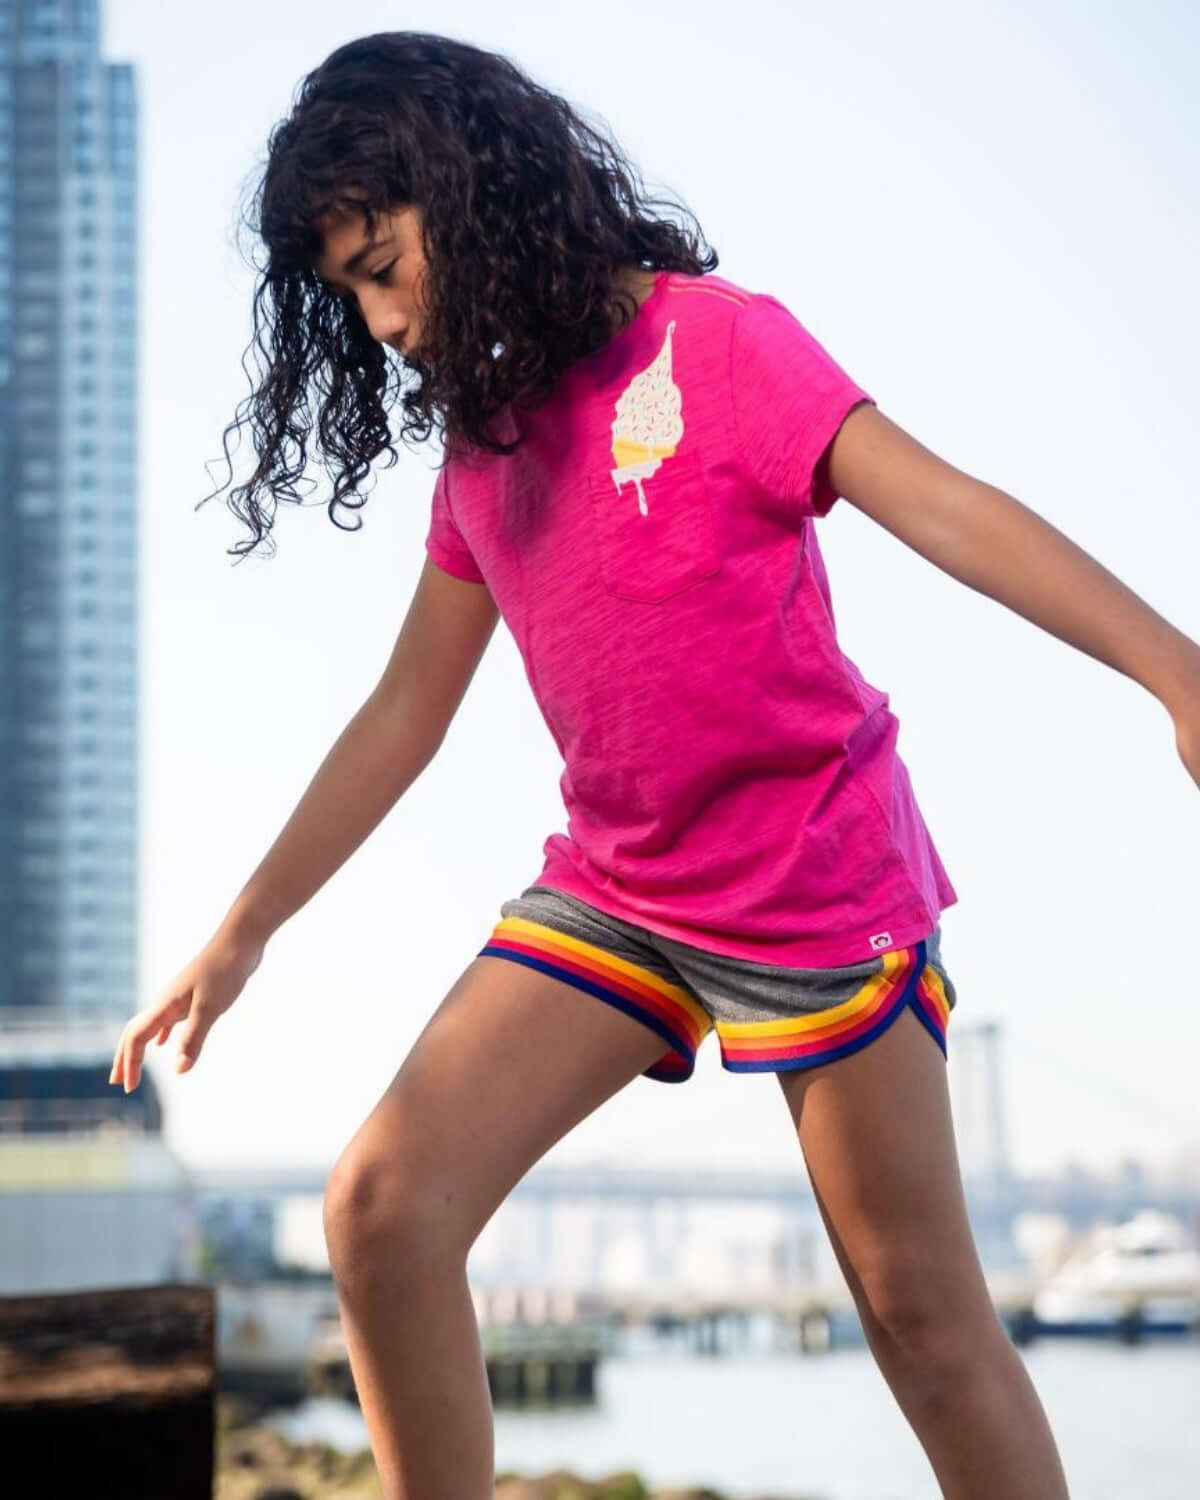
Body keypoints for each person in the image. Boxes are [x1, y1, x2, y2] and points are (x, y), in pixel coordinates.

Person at [109, 30, 1200, 1500]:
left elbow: (947, 508)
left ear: (468, 190)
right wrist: (243, 931)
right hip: (619, 893)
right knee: (381, 1207)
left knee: (925, 1321)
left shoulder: (719, 342)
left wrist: (1173, 672)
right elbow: (401, 713)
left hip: (820, 882)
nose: (375, 322)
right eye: (348, 293)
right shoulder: (484, 454)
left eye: (381, 265)